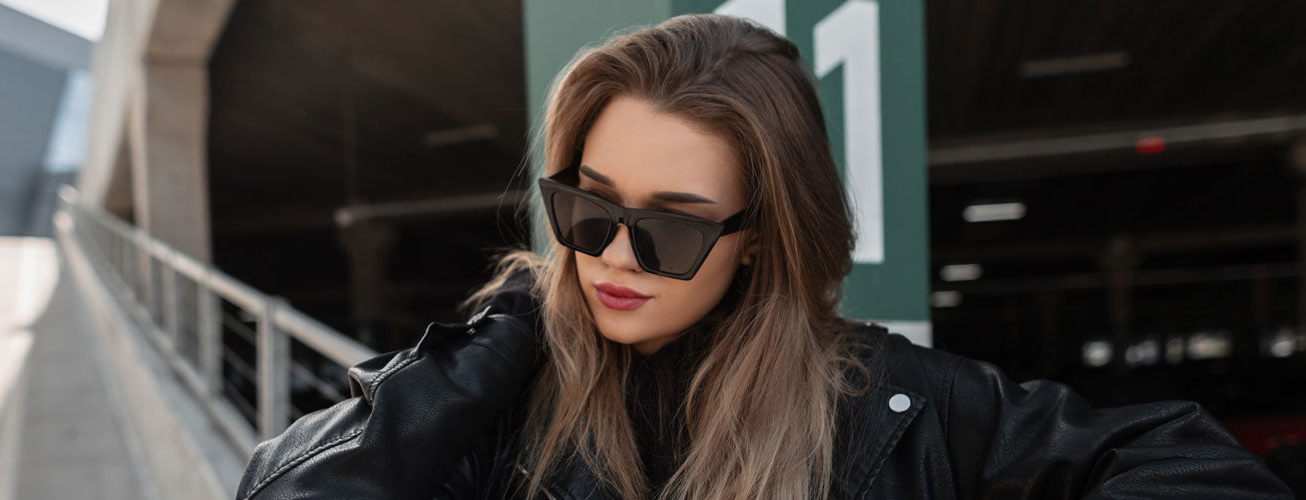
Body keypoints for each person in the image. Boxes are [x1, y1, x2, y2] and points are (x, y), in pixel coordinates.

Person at [233, 13, 1294, 500]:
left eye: (673, 224)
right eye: (587, 206)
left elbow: (1191, 463)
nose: (614, 254)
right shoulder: (503, 402)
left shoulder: (895, 405)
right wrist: (480, 348)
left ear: (760, 242)